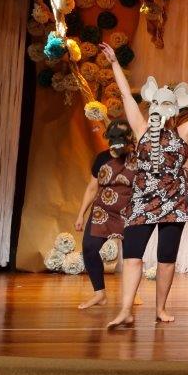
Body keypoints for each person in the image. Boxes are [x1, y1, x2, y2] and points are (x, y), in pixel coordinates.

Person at [102, 41, 188, 327]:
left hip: (174, 200)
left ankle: (160, 309)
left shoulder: (182, 132)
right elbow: (127, 99)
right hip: (142, 199)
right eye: (155, 104)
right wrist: (115, 63)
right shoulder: (141, 130)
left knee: (167, 258)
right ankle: (126, 309)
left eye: (165, 105)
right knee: (132, 255)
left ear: (174, 110)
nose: (158, 109)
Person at [74, 119, 136, 309]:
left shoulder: (137, 158)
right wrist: (80, 214)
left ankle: (132, 294)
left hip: (129, 210)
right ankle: (99, 294)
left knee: (132, 255)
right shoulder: (101, 159)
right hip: (103, 210)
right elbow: (92, 188)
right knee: (90, 247)